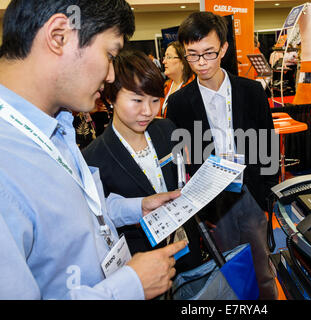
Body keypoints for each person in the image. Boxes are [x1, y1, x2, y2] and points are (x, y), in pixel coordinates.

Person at [0, 0, 186, 300]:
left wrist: (137, 207)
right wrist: (129, 286)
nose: (111, 75)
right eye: (109, 55)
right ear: (59, 36)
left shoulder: (56, 127)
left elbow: (82, 213)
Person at [165, 11, 279, 300]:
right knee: (226, 272)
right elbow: (184, 158)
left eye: (209, 53)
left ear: (224, 49)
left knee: (262, 267)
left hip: (251, 189)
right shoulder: (179, 103)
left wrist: (266, 193)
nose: (201, 63)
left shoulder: (251, 91)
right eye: (192, 55)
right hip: (213, 201)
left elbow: (266, 142)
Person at [82, 49, 203, 272]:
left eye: (155, 100)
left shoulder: (167, 129)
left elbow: (181, 179)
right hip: (142, 263)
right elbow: (101, 221)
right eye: (137, 100)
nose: (147, 111)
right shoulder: (93, 157)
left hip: (188, 247)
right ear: (111, 98)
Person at [159, 41, 195, 118]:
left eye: (169, 57)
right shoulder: (166, 87)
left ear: (183, 61)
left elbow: (198, 123)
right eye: (164, 57)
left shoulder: (193, 89)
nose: (164, 61)